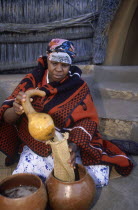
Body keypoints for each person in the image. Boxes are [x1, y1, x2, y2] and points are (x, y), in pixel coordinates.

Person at [0, 38, 133, 187]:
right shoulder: (32, 82)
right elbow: (7, 118)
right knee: (25, 182)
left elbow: (88, 121)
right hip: (36, 145)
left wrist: (74, 146)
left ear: (70, 64)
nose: (58, 69)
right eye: (54, 63)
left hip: (69, 142)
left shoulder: (78, 86)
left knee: (96, 179)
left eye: (64, 65)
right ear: (47, 58)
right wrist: (16, 109)